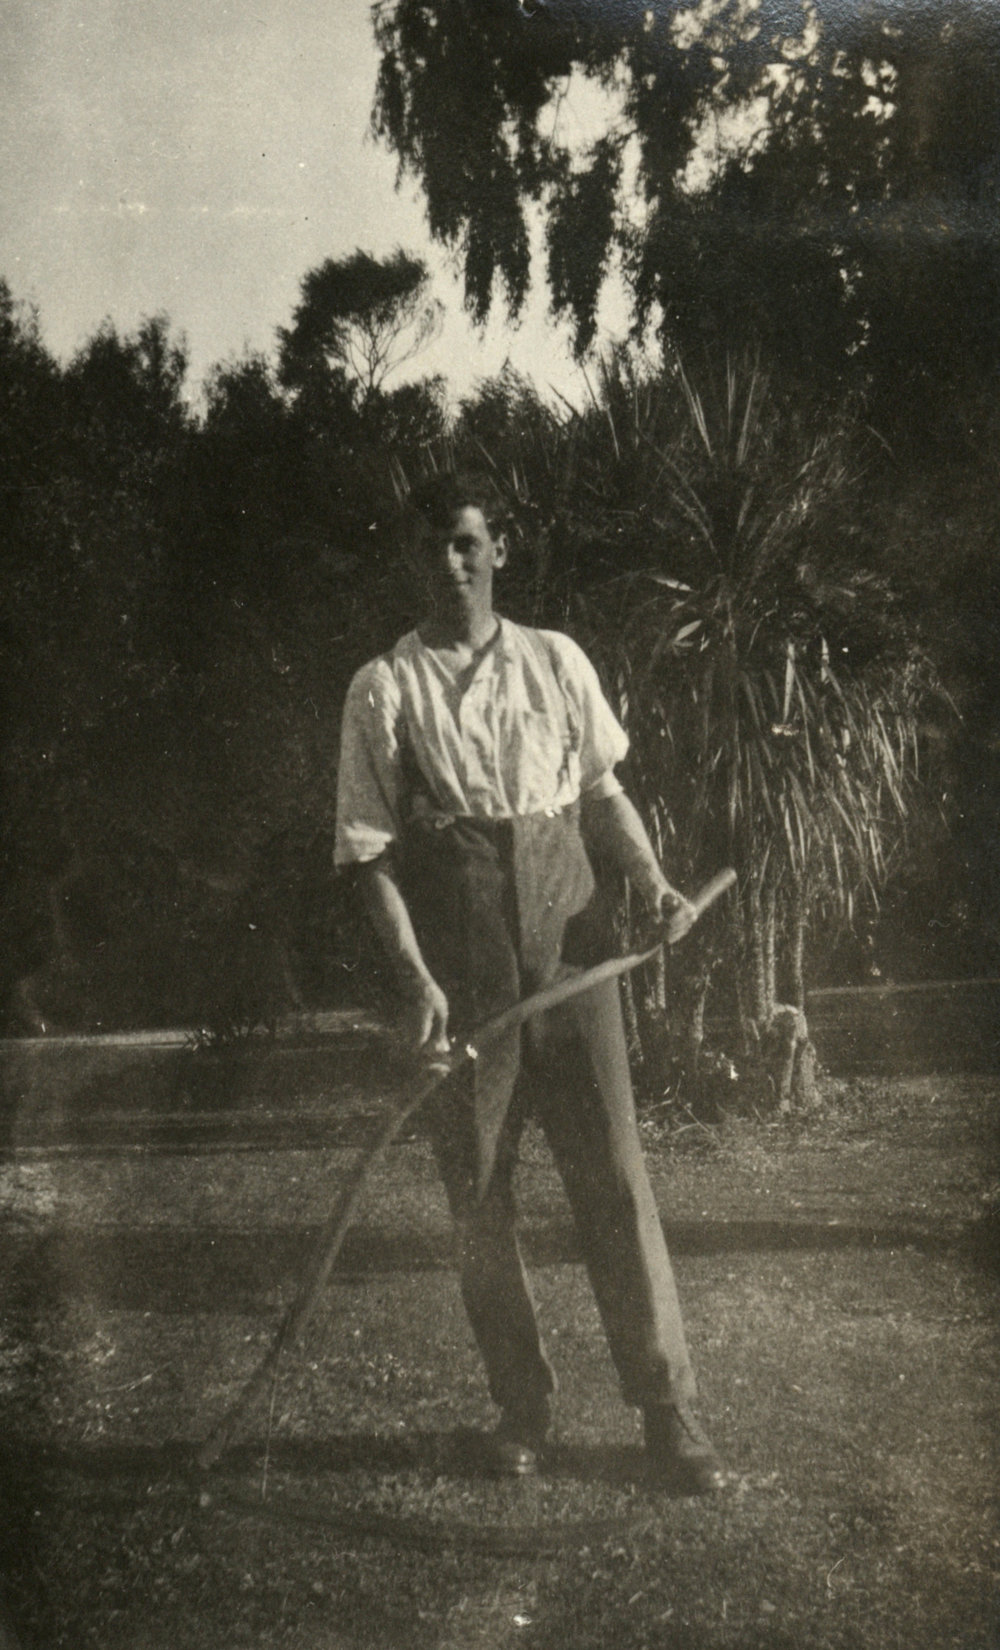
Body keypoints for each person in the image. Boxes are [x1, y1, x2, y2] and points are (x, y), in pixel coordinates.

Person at [334, 472, 725, 1493]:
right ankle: (523, 1409)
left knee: (614, 1181)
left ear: (498, 550)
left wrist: (647, 876)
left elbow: (602, 792)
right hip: (465, 986)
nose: (449, 564)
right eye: (430, 548)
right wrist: (416, 979)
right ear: (409, 559)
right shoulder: (382, 688)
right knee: (479, 1202)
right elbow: (368, 858)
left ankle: (667, 1410)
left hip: (574, 959)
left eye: (466, 544)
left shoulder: (555, 662)